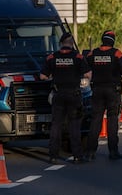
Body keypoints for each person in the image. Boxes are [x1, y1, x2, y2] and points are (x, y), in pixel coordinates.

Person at [86, 30, 122, 161]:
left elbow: (84, 68)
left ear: (102, 39)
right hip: (113, 91)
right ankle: (113, 152)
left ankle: (90, 152)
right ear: (112, 41)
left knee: (96, 120)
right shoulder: (116, 53)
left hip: (96, 90)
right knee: (112, 121)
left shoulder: (93, 53)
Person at [40, 32, 92, 164]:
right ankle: (77, 156)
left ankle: (53, 156)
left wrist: (54, 77)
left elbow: (42, 77)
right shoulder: (78, 57)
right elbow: (88, 75)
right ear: (71, 43)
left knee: (56, 125)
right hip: (74, 95)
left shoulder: (52, 57)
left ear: (61, 43)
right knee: (74, 126)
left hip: (58, 95)